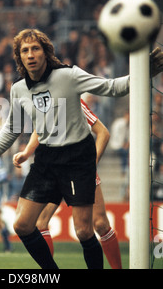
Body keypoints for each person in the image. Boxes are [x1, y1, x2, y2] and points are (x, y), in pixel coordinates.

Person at [0, 29, 163, 269]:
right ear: (19, 57)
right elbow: (12, 128)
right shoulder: (18, 89)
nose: (31, 54)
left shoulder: (68, 75)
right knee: (22, 225)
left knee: (84, 230)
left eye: (35, 49)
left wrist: (142, 73)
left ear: (46, 52)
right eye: (25, 50)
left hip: (78, 157)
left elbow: (112, 87)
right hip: (46, 159)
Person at [13, 99, 122, 269]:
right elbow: (40, 130)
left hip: (79, 169)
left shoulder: (73, 100)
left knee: (98, 224)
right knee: (40, 223)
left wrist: (90, 166)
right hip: (53, 170)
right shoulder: (42, 100)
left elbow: (104, 133)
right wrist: (27, 152)